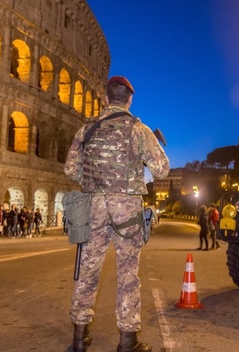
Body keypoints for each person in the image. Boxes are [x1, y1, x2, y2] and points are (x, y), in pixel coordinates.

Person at [64, 76, 169, 352]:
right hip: (126, 208)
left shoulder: (87, 129)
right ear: (129, 100)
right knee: (127, 273)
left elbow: (70, 169)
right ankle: (127, 342)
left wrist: (92, 183)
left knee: (87, 271)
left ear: (106, 98)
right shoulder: (137, 128)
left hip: (94, 206)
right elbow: (162, 170)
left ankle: (78, 340)